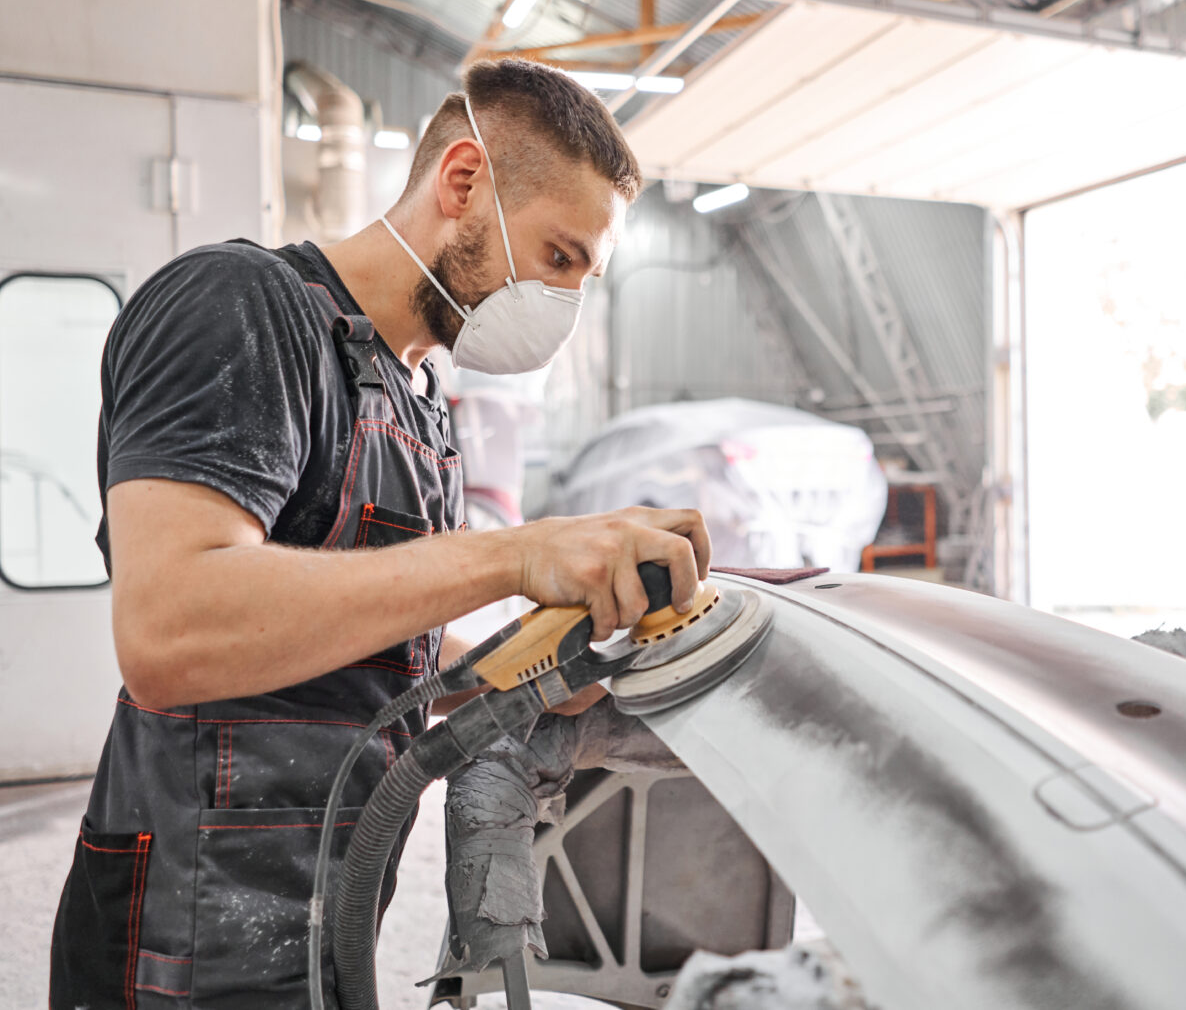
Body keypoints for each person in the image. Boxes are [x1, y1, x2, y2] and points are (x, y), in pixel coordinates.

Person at [49, 58, 710, 1009]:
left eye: (584, 279)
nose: (564, 304)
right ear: (463, 181)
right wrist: (513, 553)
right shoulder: (239, 306)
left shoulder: (419, 402)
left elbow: (378, 654)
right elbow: (169, 627)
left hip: (324, 922)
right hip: (179, 943)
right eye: (560, 258)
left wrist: (540, 672)